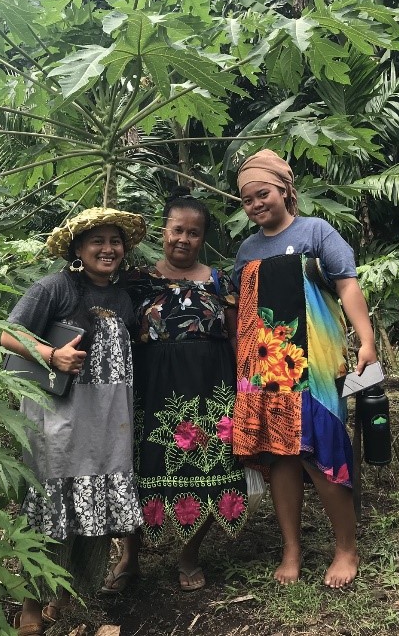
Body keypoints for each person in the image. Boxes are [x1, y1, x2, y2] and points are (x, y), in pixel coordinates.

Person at [232, 149, 377, 589]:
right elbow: (241, 308)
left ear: (285, 191)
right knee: (280, 459)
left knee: (323, 453)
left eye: (264, 194)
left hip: (313, 363)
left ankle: (346, 547)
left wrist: (366, 339)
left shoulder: (316, 231)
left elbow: (347, 284)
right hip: (264, 368)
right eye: (248, 200)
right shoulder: (247, 248)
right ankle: (291, 548)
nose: (257, 204)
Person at [0, 207, 147, 635]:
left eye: (115, 241)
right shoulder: (54, 287)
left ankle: (64, 596)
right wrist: (51, 355)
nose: (108, 249)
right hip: (59, 418)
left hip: (107, 423)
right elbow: (7, 332)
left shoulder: (122, 298)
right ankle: (29, 606)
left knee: (91, 507)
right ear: (77, 249)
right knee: (52, 508)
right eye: (97, 241)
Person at [102, 192, 248, 594]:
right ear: (164, 230)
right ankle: (129, 558)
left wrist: (244, 388)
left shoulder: (221, 280)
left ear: (203, 237)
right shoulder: (133, 281)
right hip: (150, 387)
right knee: (140, 465)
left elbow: (236, 336)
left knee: (208, 466)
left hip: (209, 386)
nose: (183, 239)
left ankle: (189, 555)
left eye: (194, 232)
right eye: (177, 230)